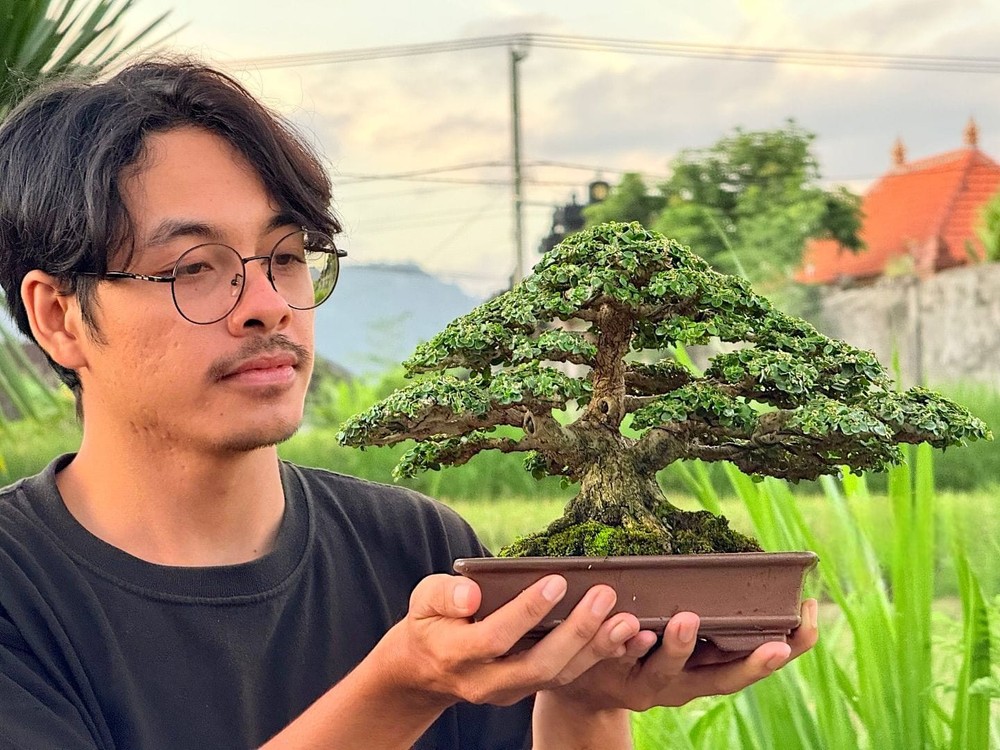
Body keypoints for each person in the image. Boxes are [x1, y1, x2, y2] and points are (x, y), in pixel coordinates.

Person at [0, 58, 818, 749]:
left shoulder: (421, 551)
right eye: (193, 268)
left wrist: (585, 699)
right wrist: (403, 688)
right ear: (58, 317)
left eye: (286, 256)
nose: (269, 305)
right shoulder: (20, 589)